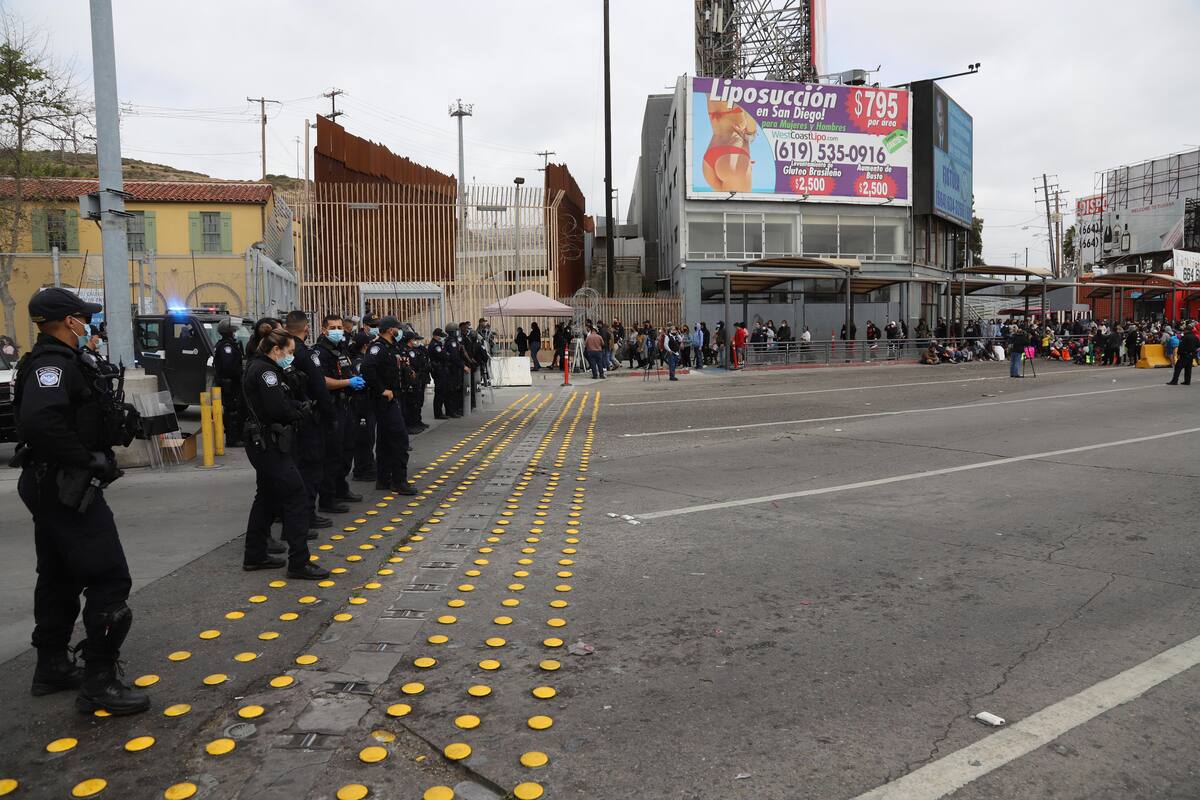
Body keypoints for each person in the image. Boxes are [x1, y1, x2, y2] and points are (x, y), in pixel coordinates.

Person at [11, 287, 148, 715]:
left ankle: (52, 665)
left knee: (59, 576)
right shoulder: (51, 365)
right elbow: (40, 422)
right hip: (64, 484)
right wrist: (85, 459)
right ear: (68, 321)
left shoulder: (65, 360)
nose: (87, 324)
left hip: (52, 482)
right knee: (109, 578)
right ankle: (99, 681)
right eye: (83, 318)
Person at [241, 328, 330, 582]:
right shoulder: (266, 372)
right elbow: (277, 408)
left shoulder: (262, 367)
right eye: (289, 351)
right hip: (269, 443)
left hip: (264, 441)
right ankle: (299, 562)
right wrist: (299, 412)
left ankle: (255, 554)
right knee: (296, 496)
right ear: (276, 349)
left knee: (267, 497)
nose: (291, 355)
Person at [284, 311, 338, 525]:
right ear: (307, 327)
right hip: (308, 417)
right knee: (311, 467)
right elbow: (318, 385)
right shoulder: (304, 353)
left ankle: (297, 515)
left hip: (292, 416)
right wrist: (330, 415)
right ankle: (306, 514)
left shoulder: (283, 351)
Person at [361, 316, 418, 496]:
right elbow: (367, 369)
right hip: (385, 400)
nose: (399, 331)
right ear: (389, 329)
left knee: (385, 440)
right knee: (400, 439)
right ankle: (399, 481)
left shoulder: (392, 347)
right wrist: (381, 390)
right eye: (396, 328)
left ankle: (383, 479)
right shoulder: (377, 347)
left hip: (395, 397)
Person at [313, 314, 365, 511]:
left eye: (339, 327)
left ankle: (341, 488)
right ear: (324, 330)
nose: (337, 331)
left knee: (347, 449)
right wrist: (347, 382)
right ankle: (328, 498)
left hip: (346, 405)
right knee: (332, 454)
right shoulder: (320, 352)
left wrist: (355, 378)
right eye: (333, 328)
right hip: (332, 406)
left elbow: (347, 369)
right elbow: (321, 380)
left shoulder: (341, 349)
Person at [348, 332, 376, 481]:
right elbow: (365, 380)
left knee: (368, 436)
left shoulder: (361, 359)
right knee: (364, 437)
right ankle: (362, 469)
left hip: (366, 402)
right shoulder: (359, 361)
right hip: (361, 403)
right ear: (366, 345)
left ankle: (368, 464)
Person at [213, 318, 244, 447]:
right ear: (228, 331)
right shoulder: (227, 346)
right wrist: (238, 375)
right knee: (232, 411)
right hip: (230, 384)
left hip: (231, 382)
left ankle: (235, 436)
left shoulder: (227, 344)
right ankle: (232, 439)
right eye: (233, 330)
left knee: (234, 409)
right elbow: (228, 366)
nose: (234, 332)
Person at [403, 330, 430, 433]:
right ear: (410, 340)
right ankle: (411, 424)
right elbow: (413, 364)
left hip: (418, 378)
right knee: (411, 403)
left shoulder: (416, 350)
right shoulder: (407, 351)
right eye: (414, 339)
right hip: (411, 379)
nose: (416, 341)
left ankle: (417, 421)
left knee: (418, 402)